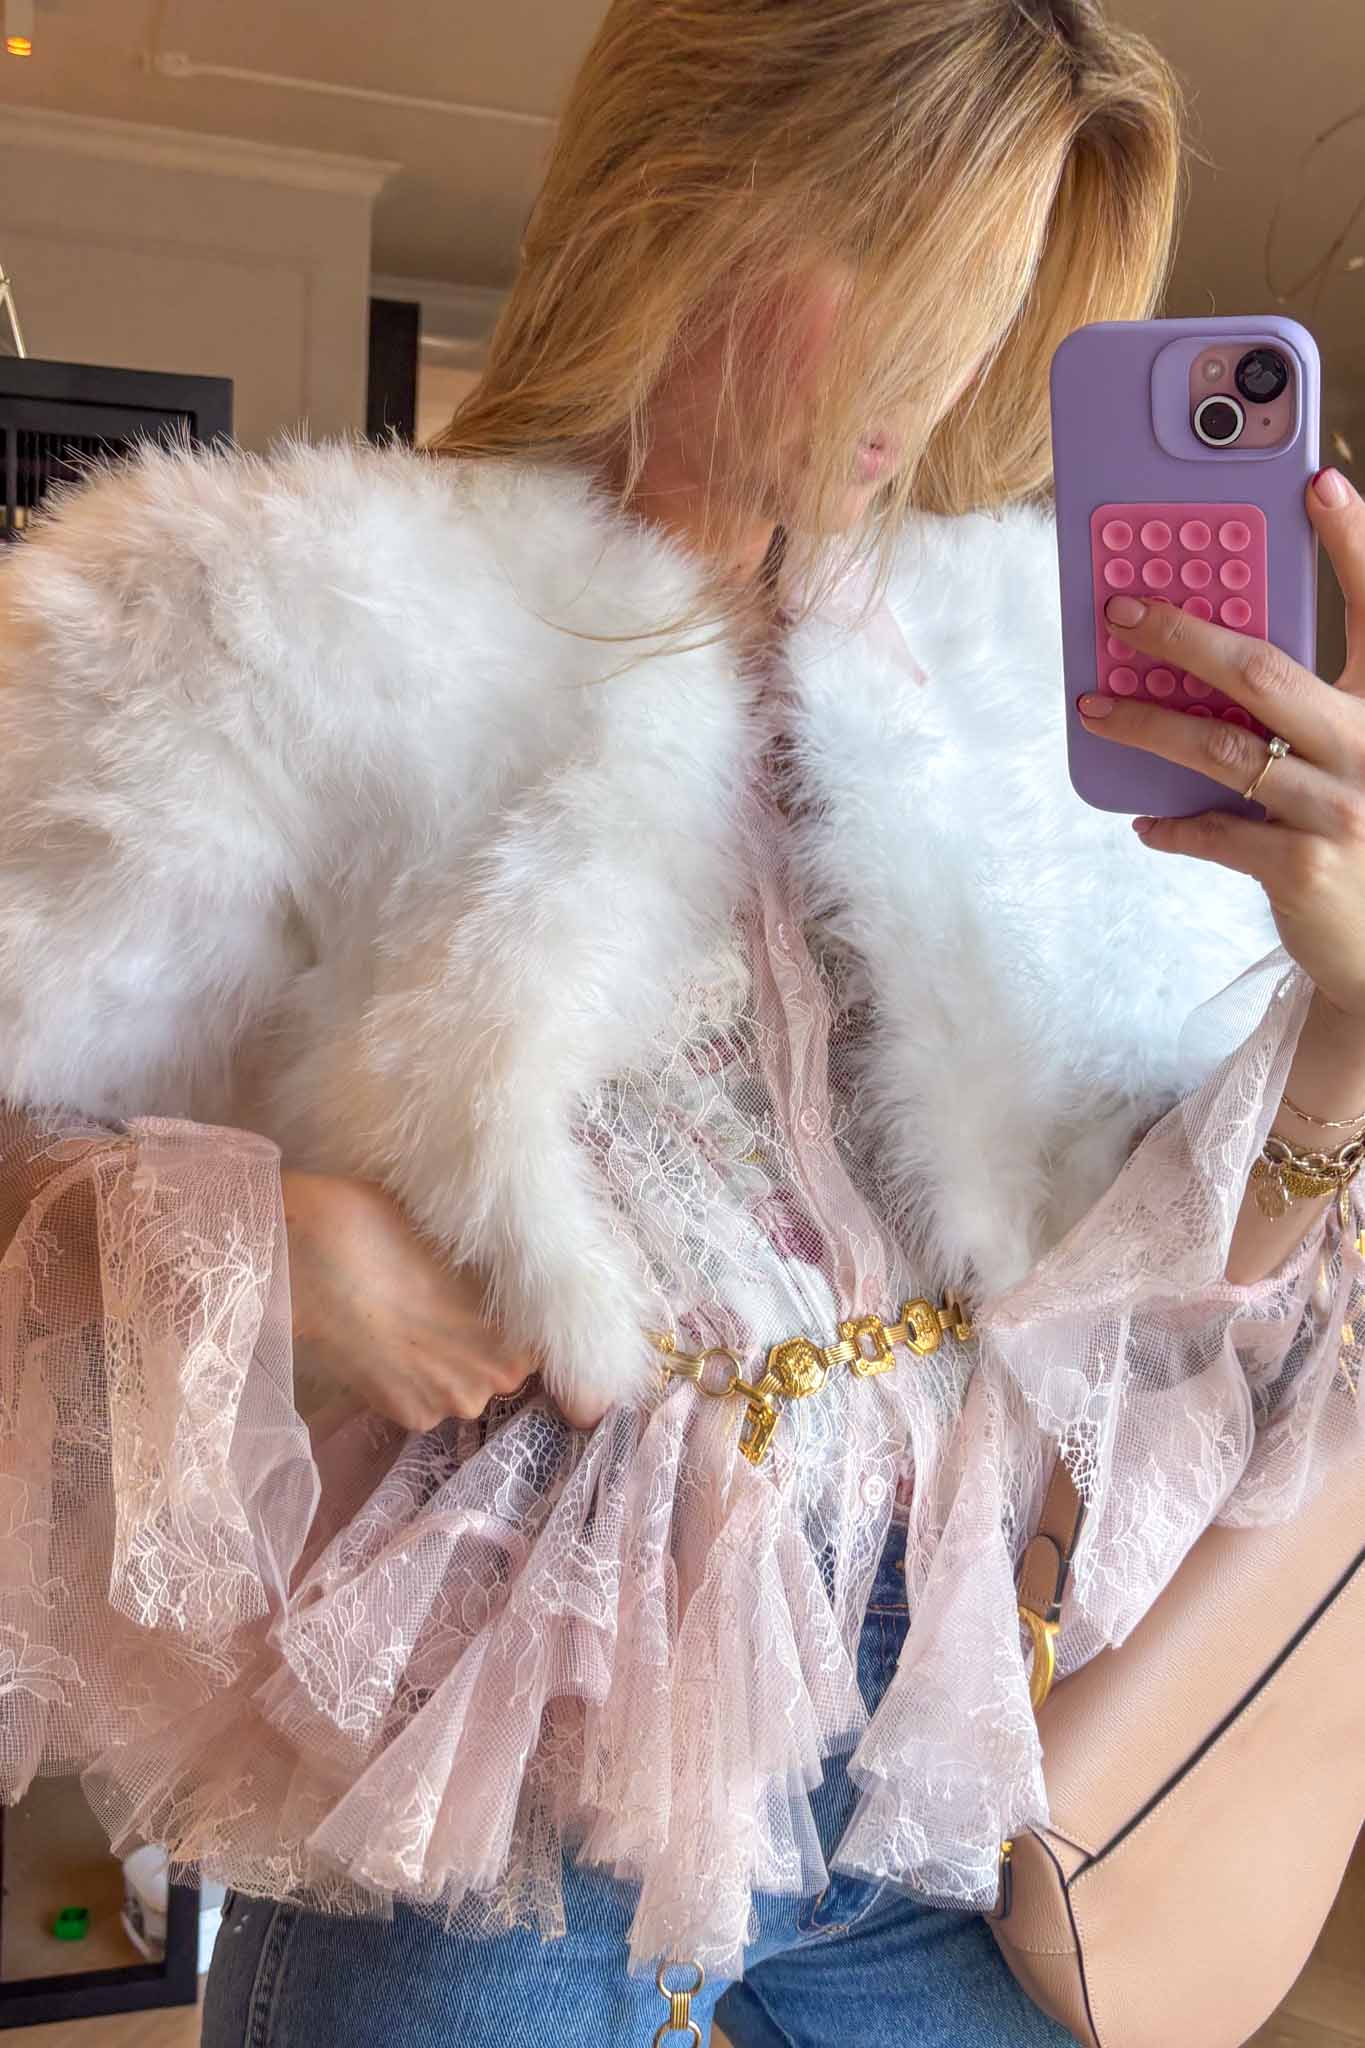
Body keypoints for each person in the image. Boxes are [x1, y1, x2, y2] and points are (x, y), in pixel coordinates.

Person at [1, 1, 1363, 2043]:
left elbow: (1173, 1303)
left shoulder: (1020, 672)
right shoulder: (263, 609)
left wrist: (1348, 1005)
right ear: (685, 184)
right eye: (896, 267)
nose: (932, 368)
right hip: (514, 1729)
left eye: (991, 295)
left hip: (948, 1742)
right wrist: (249, 1234)